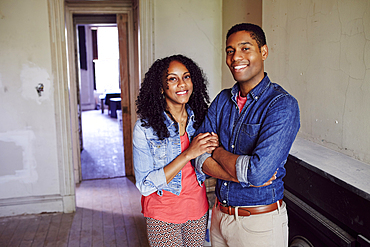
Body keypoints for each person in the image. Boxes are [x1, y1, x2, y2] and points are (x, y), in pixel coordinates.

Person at [194, 23, 300, 246]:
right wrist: (239, 175)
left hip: (258, 224)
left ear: (263, 52)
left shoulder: (281, 105)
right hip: (219, 216)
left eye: (245, 48)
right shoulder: (223, 100)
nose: (235, 57)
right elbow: (198, 156)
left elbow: (257, 173)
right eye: (230, 50)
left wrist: (217, 151)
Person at [133, 54, 219, 247]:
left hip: (198, 209)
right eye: (173, 79)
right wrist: (188, 153)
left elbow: (210, 161)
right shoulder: (145, 128)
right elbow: (145, 185)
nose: (182, 84)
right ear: (161, 88)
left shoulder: (201, 121)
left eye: (186, 77)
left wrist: (215, 145)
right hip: (162, 213)